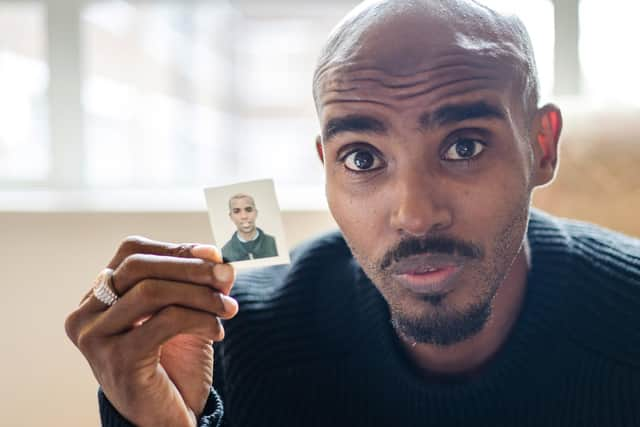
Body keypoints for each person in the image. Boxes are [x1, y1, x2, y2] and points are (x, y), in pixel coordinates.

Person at [65, 1, 640, 426]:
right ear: (326, 166)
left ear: (541, 146)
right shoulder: (222, 350)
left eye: (464, 146)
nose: (415, 216)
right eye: (363, 158)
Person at [221, 193, 278, 262]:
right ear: (231, 216)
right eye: (236, 211)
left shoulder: (274, 243)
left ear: (256, 213)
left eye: (248, 209)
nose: (244, 216)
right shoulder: (225, 252)